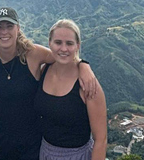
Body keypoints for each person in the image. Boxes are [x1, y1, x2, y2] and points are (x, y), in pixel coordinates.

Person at [0, 7, 98, 160]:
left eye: (9, 26)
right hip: (0, 144)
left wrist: (83, 65)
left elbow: (63, 56)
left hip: (33, 145)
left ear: (18, 28)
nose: (4, 32)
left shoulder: (34, 54)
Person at [35, 19, 107, 160]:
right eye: (58, 42)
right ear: (50, 44)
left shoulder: (88, 85)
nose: (63, 49)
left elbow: (101, 140)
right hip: (45, 152)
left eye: (69, 43)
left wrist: (82, 64)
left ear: (77, 46)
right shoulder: (44, 70)